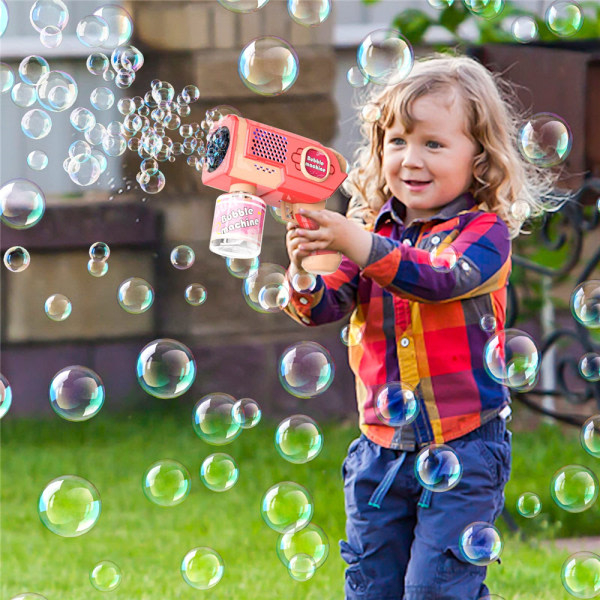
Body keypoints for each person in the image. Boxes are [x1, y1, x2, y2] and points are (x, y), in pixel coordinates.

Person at [283, 53, 564, 599]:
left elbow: (438, 279)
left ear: (480, 158)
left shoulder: (484, 235)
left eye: (433, 144)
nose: (411, 159)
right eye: (397, 141)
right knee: (372, 589)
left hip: (463, 447)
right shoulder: (367, 230)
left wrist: (357, 243)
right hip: (379, 452)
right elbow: (326, 305)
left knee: (437, 590)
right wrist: (304, 272)